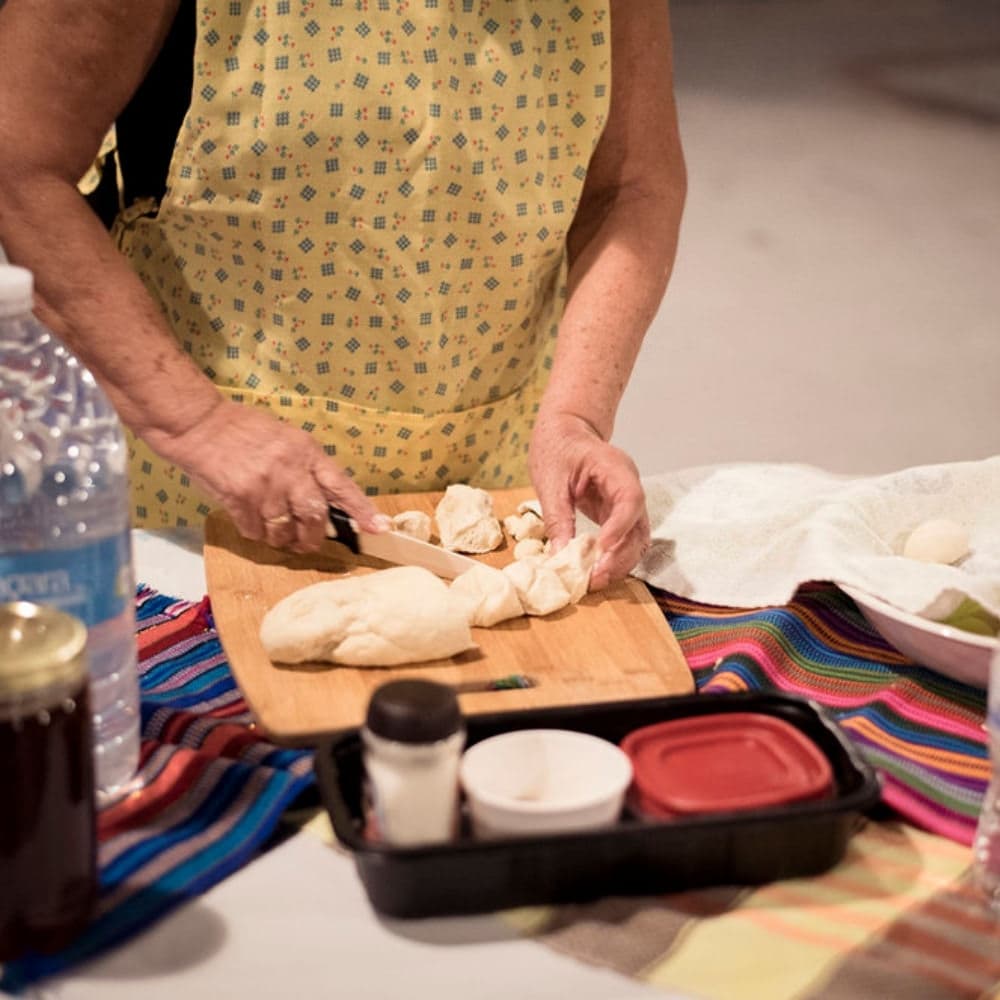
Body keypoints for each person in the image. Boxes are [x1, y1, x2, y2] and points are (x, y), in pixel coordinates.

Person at [0, 0, 685, 591]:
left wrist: (576, 417)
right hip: (194, 505)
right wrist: (195, 423)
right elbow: (18, 159)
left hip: (494, 481)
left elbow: (632, 186)